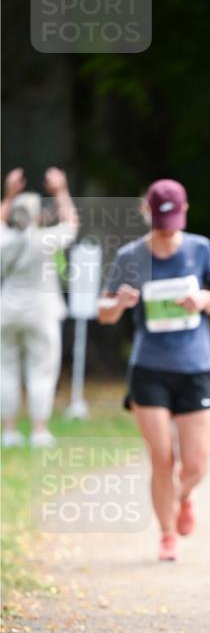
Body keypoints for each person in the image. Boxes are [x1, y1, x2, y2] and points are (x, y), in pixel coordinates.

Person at [98, 179, 210, 562]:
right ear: (147, 214)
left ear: (184, 212)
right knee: (162, 458)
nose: (167, 231)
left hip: (196, 368)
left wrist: (201, 299)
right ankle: (167, 533)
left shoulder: (200, 248)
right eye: (160, 222)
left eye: (172, 222)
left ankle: (184, 495)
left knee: (195, 464)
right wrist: (119, 303)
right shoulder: (130, 256)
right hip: (149, 369)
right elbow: (103, 313)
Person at [1, 167, 78, 447]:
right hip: (42, 313)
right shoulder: (45, 239)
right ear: (36, 215)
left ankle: (9, 430)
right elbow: (71, 225)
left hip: (6, 312)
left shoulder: (4, 240)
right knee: (42, 370)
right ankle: (39, 429)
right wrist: (61, 191)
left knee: (5, 369)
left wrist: (9, 194)